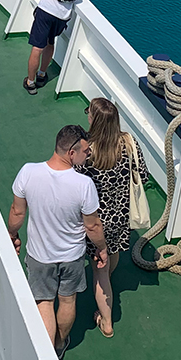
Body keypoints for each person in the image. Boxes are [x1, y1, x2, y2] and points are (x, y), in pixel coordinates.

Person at [7, 124, 108, 359]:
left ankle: (46, 356)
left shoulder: (28, 173)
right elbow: (92, 226)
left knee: (44, 303)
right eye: (85, 151)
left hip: (40, 256)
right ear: (71, 153)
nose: (88, 154)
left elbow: (17, 213)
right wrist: (102, 248)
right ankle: (60, 345)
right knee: (67, 300)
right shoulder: (84, 185)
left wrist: (12, 235)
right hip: (72, 257)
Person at [76, 97, 145, 338]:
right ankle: (108, 278)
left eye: (89, 113)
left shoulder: (88, 152)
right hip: (120, 216)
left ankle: (106, 321)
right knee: (112, 252)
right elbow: (142, 176)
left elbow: (75, 185)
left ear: (94, 120)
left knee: (99, 271)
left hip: (96, 222)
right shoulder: (128, 143)